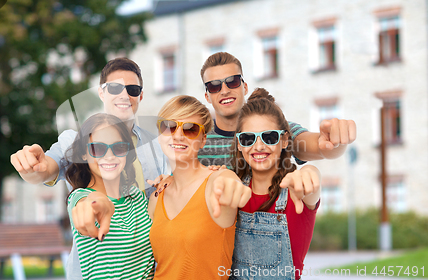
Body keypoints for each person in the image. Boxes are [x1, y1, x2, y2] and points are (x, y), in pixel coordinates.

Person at [10, 57, 168, 279]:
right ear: (101, 93)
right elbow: (46, 169)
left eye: (132, 89)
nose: (124, 95)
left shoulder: (158, 146)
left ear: (140, 95)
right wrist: (32, 167)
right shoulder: (75, 140)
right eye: (114, 88)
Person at [147, 95, 252, 279]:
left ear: (203, 140)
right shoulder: (157, 196)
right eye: (169, 126)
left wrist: (233, 186)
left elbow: (228, 182)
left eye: (190, 129)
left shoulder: (216, 180)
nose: (178, 135)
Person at [198, 52, 356, 168]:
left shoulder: (275, 130)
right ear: (207, 96)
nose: (224, 91)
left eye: (232, 82)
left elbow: (319, 147)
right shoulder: (196, 138)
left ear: (244, 87)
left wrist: (334, 142)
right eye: (214, 86)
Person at [229, 88, 321, 280]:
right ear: (239, 144)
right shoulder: (233, 191)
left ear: (285, 139)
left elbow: (311, 185)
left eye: (269, 137)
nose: (259, 146)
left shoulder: (297, 192)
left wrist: (311, 172)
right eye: (248, 138)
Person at [65, 113, 154, 279]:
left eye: (119, 147)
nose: (109, 155)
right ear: (84, 154)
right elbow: (88, 203)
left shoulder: (137, 196)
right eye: (97, 148)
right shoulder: (80, 197)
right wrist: (97, 203)